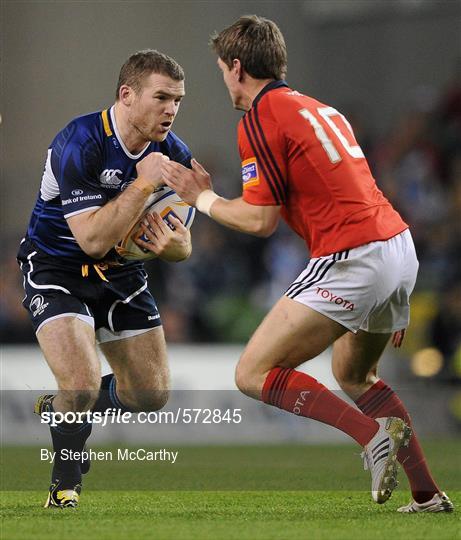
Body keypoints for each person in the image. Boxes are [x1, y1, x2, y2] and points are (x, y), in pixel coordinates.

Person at [160, 16, 453, 512]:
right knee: (355, 374)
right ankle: (427, 494)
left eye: (221, 71)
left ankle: (369, 437)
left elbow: (260, 221)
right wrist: (390, 291)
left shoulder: (259, 118)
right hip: (397, 249)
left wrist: (203, 197)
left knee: (252, 372)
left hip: (353, 254)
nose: (225, 82)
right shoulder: (321, 109)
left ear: (236, 67)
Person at [17, 49, 193, 508]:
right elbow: (92, 239)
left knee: (152, 394)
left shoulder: (175, 154)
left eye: (177, 99)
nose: (171, 109)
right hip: (57, 267)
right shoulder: (79, 140)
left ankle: (65, 410)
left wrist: (176, 248)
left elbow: (183, 242)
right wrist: (142, 184)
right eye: (161, 97)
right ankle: (64, 486)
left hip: (121, 274)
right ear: (127, 95)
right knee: (79, 381)